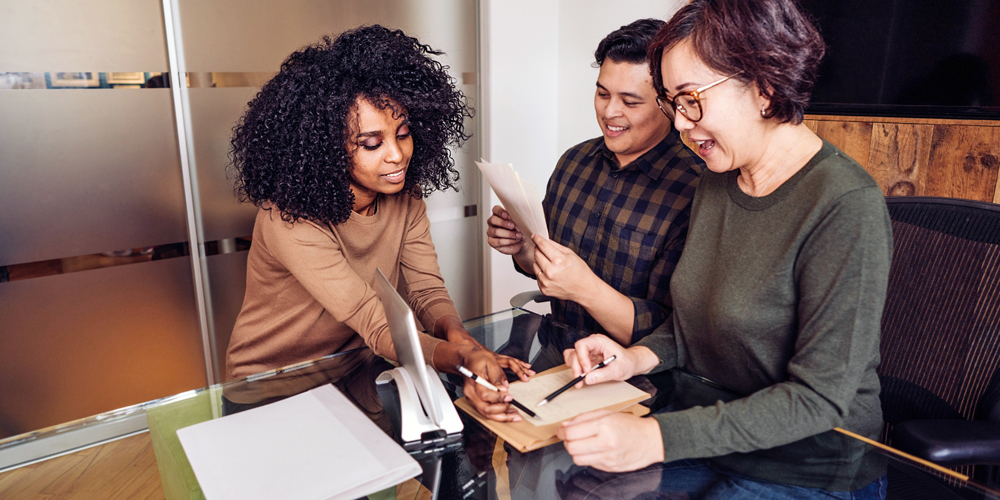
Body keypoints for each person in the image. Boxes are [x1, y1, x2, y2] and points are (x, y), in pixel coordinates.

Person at [558, 0, 892, 498]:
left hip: (810, 465)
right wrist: (635, 359)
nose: (680, 123)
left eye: (691, 99)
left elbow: (820, 399)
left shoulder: (845, 206)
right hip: (716, 436)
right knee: (577, 486)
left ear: (765, 87)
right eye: (673, 103)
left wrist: (655, 438)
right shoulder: (718, 182)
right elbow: (698, 320)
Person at [225, 26, 532, 421]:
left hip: (355, 375)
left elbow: (425, 290)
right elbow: (372, 319)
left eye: (403, 134)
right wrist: (460, 360)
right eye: (372, 143)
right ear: (325, 148)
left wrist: (465, 342)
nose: (397, 155)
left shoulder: (404, 198)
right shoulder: (289, 218)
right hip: (272, 389)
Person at [486, 19, 704, 346]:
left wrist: (586, 289)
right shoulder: (574, 162)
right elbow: (542, 267)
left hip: (639, 378)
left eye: (630, 102)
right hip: (558, 353)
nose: (610, 112)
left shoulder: (694, 190)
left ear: (668, 104)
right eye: (602, 93)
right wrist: (522, 248)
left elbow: (674, 332)